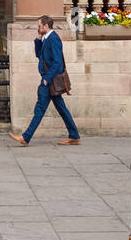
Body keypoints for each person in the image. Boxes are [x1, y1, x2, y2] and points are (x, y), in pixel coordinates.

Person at [10, 15, 80, 146]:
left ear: (46, 26)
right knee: (61, 108)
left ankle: (26, 137)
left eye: (40, 26)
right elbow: (39, 55)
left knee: (40, 108)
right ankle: (74, 135)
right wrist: (38, 39)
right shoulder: (46, 38)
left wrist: (46, 79)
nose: (38, 28)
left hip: (49, 81)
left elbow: (58, 63)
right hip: (48, 80)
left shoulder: (54, 39)